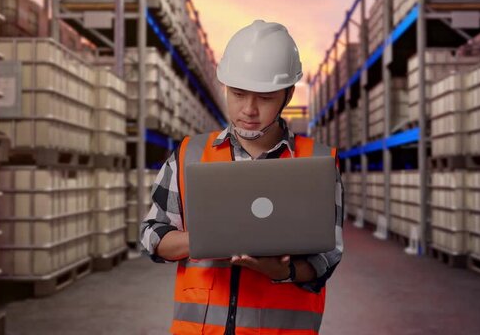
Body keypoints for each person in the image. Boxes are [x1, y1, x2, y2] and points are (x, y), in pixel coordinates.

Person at [140, 19, 344, 335]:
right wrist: (205, 242)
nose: (248, 109)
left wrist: (283, 270)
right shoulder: (189, 154)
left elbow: (328, 257)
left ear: (287, 96)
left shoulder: (317, 162)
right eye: (237, 94)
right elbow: (153, 235)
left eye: (264, 98)